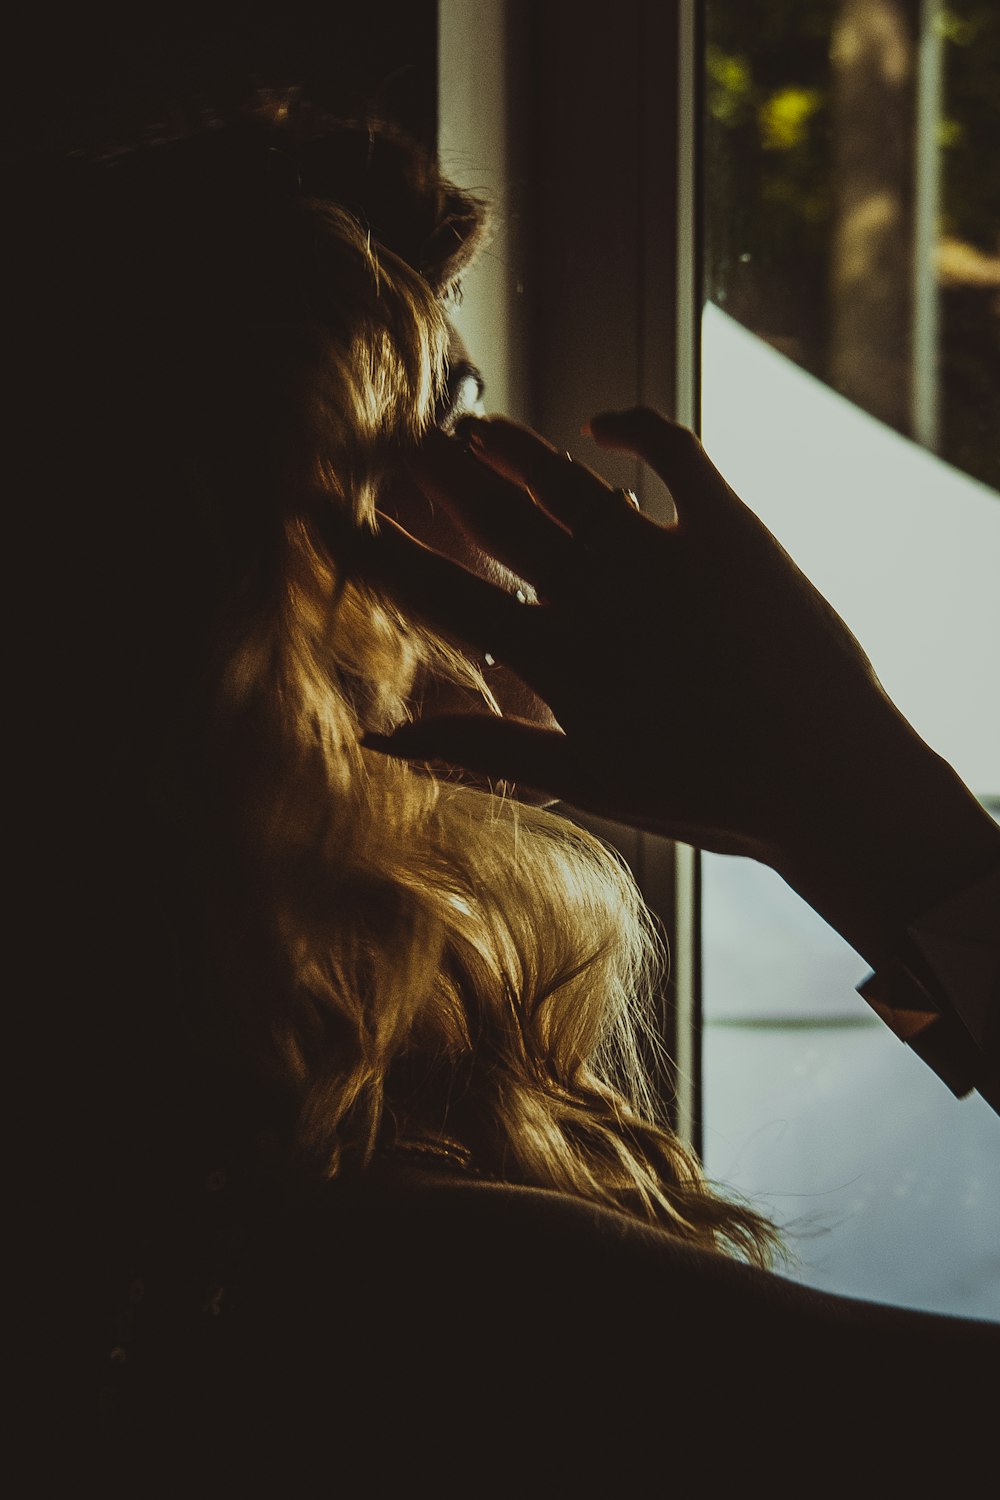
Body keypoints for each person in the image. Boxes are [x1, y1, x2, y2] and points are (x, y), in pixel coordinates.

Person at [18, 93, 994, 1489]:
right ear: (268, 578)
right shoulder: (420, 1290)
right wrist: (872, 813)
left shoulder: (226, 1192)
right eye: (447, 425)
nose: (512, 505)